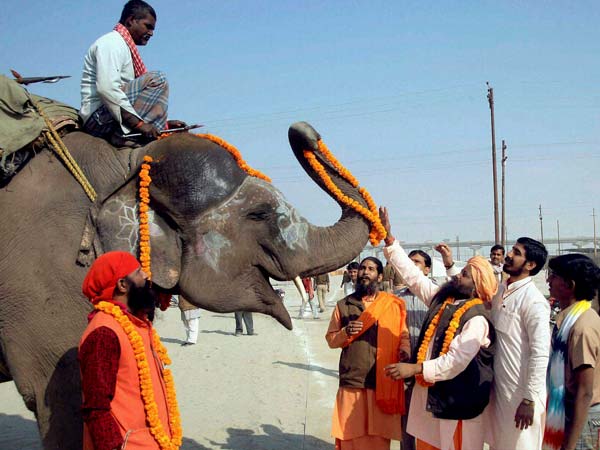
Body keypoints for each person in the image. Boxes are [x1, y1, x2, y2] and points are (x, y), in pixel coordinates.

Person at [380, 206, 497, 450]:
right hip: (432, 400)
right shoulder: (443, 300)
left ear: (475, 286)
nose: (456, 276)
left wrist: (414, 368)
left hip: (458, 403)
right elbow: (414, 277)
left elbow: (455, 361)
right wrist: (390, 239)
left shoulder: (477, 319)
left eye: (464, 275)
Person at [79, 251, 181, 450]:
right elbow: (96, 407)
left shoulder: (136, 324)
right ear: (122, 285)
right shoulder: (104, 333)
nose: (145, 276)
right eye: (138, 272)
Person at [326, 256, 410, 450]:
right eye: (363, 268)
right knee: (349, 433)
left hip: (383, 380)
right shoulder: (343, 305)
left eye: (371, 269)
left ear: (379, 277)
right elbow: (331, 340)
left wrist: (404, 351)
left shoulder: (393, 304)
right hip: (353, 379)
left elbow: (403, 334)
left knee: (378, 437)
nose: (365, 272)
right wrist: (345, 332)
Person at [80, 0, 186, 147]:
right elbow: (107, 89)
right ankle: (123, 137)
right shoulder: (111, 43)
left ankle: (136, 132)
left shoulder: (125, 48)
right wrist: (140, 125)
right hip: (98, 119)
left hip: (112, 115)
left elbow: (135, 100)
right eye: (148, 27)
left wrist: (164, 125)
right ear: (131, 20)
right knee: (157, 79)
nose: (151, 33)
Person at [543, 254, 600, 450]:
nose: (548, 280)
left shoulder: (582, 326)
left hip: (583, 416)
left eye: (554, 276)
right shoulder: (570, 320)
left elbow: (585, 391)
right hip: (571, 411)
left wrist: (570, 444)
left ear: (570, 285)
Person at [393, 248, 436, 450]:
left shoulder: (438, 296)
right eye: (408, 262)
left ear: (427, 270)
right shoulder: (395, 298)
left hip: (431, 368)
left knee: (431, 424)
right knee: (406, 422)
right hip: (405, 368)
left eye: (416, 262)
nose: (410, 266)